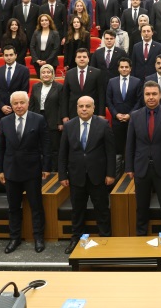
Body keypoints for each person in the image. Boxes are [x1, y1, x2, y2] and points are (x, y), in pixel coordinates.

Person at [125, 81, 161, 255]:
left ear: (160, 95)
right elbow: (130, 144)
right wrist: (129, 167)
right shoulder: (135, 116)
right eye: (148, 94)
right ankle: (141, 238)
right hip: (141, 168)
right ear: (143, 96)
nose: (151, 97)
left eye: (154, 94)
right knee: (141, 207)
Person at [0, 91, 50, 253]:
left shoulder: (38, 119)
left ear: (27, 103)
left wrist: (46, 167)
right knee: (13, 207)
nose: (19, 106)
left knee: (36, 206)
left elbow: (46, 146)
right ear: (11, 105)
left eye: (22, 103)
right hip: (11, 170)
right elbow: (0, 148)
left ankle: (38, 237)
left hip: (32, 170)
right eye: (15, 103)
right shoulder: (4, 121)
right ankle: (14, 238)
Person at [60, 95, 115, 253]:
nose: (84, 109)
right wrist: (62, 175)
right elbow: (63, 153)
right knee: (77, 210)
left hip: (98, 176)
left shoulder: (103, 124)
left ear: (93, 108)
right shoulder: (69, 126)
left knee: (102, 210)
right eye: (81, 106)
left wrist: (110, 174)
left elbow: (110, 152)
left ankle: (105, 239)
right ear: (77, 108)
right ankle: (76, 239)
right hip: (76, 176)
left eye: (87, 106)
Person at [30, 64, 66, 172]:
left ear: (52, 74)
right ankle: (42, 169)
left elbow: (62, 105)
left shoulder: (59, 87)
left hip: (53, 119)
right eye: (43, 72)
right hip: (38, 118)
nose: (46, 74)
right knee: (39, 146)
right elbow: (32, 105)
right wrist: (30, 120)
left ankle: (54, 170)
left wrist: (60, 122)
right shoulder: (35, 86)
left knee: (54, 148)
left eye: (48, 72)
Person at [106, 58, 141, 156]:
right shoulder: (111, 82)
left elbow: (139, 101)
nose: (124, 69)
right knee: (118, 146)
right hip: (117, 120)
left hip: (132, 119)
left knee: (131, 145)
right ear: (118, 68)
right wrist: (116, 114)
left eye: (126, 67)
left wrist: (130, 115)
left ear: (130, 68)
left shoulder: (137, 81)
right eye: (122, 67)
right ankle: (119, 165)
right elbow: (108, 100)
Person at [62, 48, 105, 121]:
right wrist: (65, 115)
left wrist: (101, 114)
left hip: (93, 112)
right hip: (73, 112)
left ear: (88, 59)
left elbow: (101, 94)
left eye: (84, 57)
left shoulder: (97, 73)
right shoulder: (69, 74)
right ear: (75, 59)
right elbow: (65, 96)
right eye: (79, 57)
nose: (82, 59)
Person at [29, 13, 61, 77]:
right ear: (40, 23)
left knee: (50, 79)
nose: (44, 22)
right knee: (40, 78)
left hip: (51, 60)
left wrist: (47, 61)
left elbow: (56, 48)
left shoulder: (55, 33)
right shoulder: (36, 32)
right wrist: (36, 60)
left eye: (46, 20)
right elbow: (32, 46)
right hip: (38, 60)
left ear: (49, 22)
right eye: (42, 20)